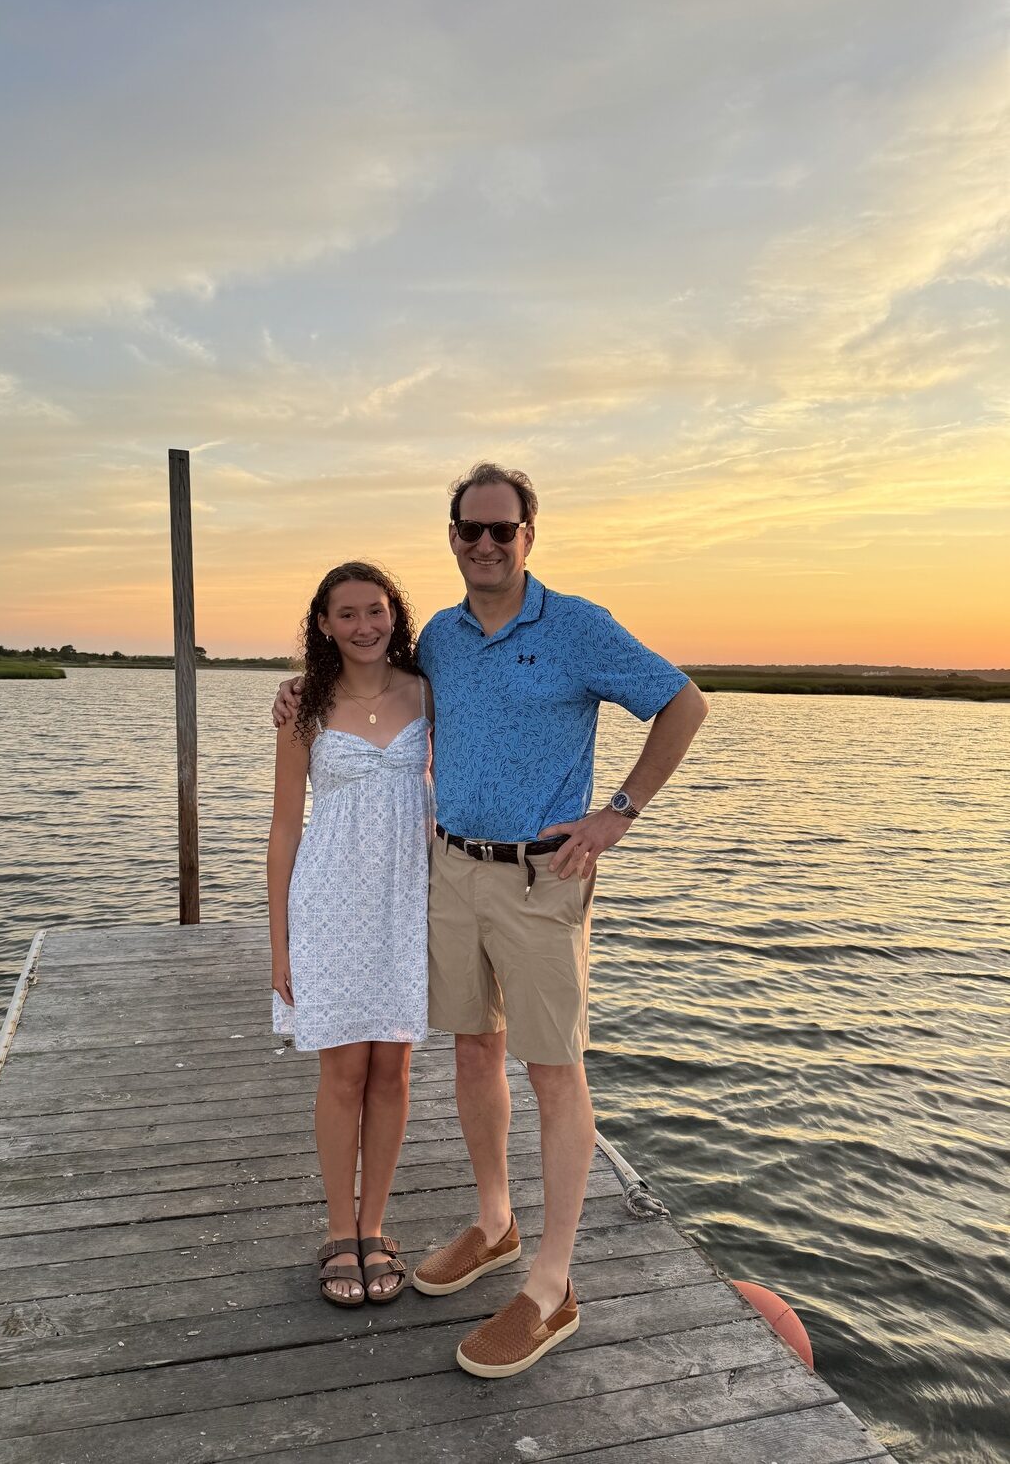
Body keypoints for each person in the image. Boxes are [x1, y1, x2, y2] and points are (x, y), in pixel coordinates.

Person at [273, 462, 708, 1374]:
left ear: (527, 535)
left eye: (499, 530)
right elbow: (369, 685)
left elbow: (682, 702)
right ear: (452, 536)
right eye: (467, 529)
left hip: (543, 878)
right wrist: (294, 692)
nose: (483, 544)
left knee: (554, 1070)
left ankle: (551, 1285)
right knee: (472, 1049)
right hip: (451, 873)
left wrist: (616, 812)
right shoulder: (440, 636)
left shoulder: (577, 626)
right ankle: (495, 1222)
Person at [267, 561, 434, 1308]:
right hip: (329, 902)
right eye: (348, 614)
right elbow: (282, 827)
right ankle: (340, 1230)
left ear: (394, 614)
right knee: (341, 1074)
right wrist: (279, 943)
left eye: (377, 610)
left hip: (407, 898)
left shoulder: (429, 692)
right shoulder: (303, 706)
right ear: (325, 623)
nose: (365, 626)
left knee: (393, 1071)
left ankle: (375, 1227)